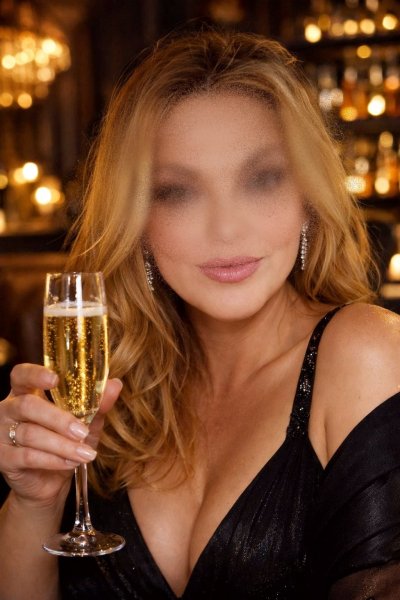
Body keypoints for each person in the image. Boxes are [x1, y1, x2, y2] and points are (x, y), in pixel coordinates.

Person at [1, 26, 400, 600]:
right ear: (138, 221)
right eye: (177, 192)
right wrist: (34, 500)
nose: (226, 230)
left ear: (308, 199)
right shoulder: (112, 389)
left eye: (261, 180)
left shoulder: (366, 353)